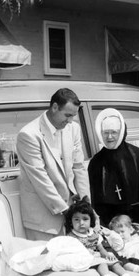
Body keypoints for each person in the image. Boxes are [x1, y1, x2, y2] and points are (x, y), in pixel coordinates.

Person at [16, 88, 91, 241]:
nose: (70, 121)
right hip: (44, 220)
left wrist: (85, 206)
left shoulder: (73, 129)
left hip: (73, 216)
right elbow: (40, 179)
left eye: (73, 116)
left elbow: (79, 168)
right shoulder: (29, 134)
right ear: (55, 107)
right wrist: (66, 211)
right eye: (67, 115)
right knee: (48, 263)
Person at [88, 108, 139, 232]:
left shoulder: (138, 156)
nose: (109, 137)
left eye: (114, 132)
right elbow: (96, 202)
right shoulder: (96, 162)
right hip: (110, 226)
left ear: (121, 132)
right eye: (105, 132)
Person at [64, 198, 139, 276]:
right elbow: (71, 251)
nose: (81, 223)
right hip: (83, 260)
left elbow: (101, 248)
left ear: (91, 221)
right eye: (76, 219)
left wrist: (107, 254)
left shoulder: (93, 234)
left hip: (96, 257)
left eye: (85, 219)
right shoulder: (71, 236)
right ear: (71, 221)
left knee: (114, 263)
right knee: (102, 263)